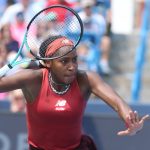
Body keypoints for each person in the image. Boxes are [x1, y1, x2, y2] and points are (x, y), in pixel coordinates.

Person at [0, 35, 149, 150]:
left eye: (75, 60)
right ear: (48, 63)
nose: (72, 67)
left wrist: (131, 120)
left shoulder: (86, 79)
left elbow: (117, 103)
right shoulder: (32, 79)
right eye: (64, 61)